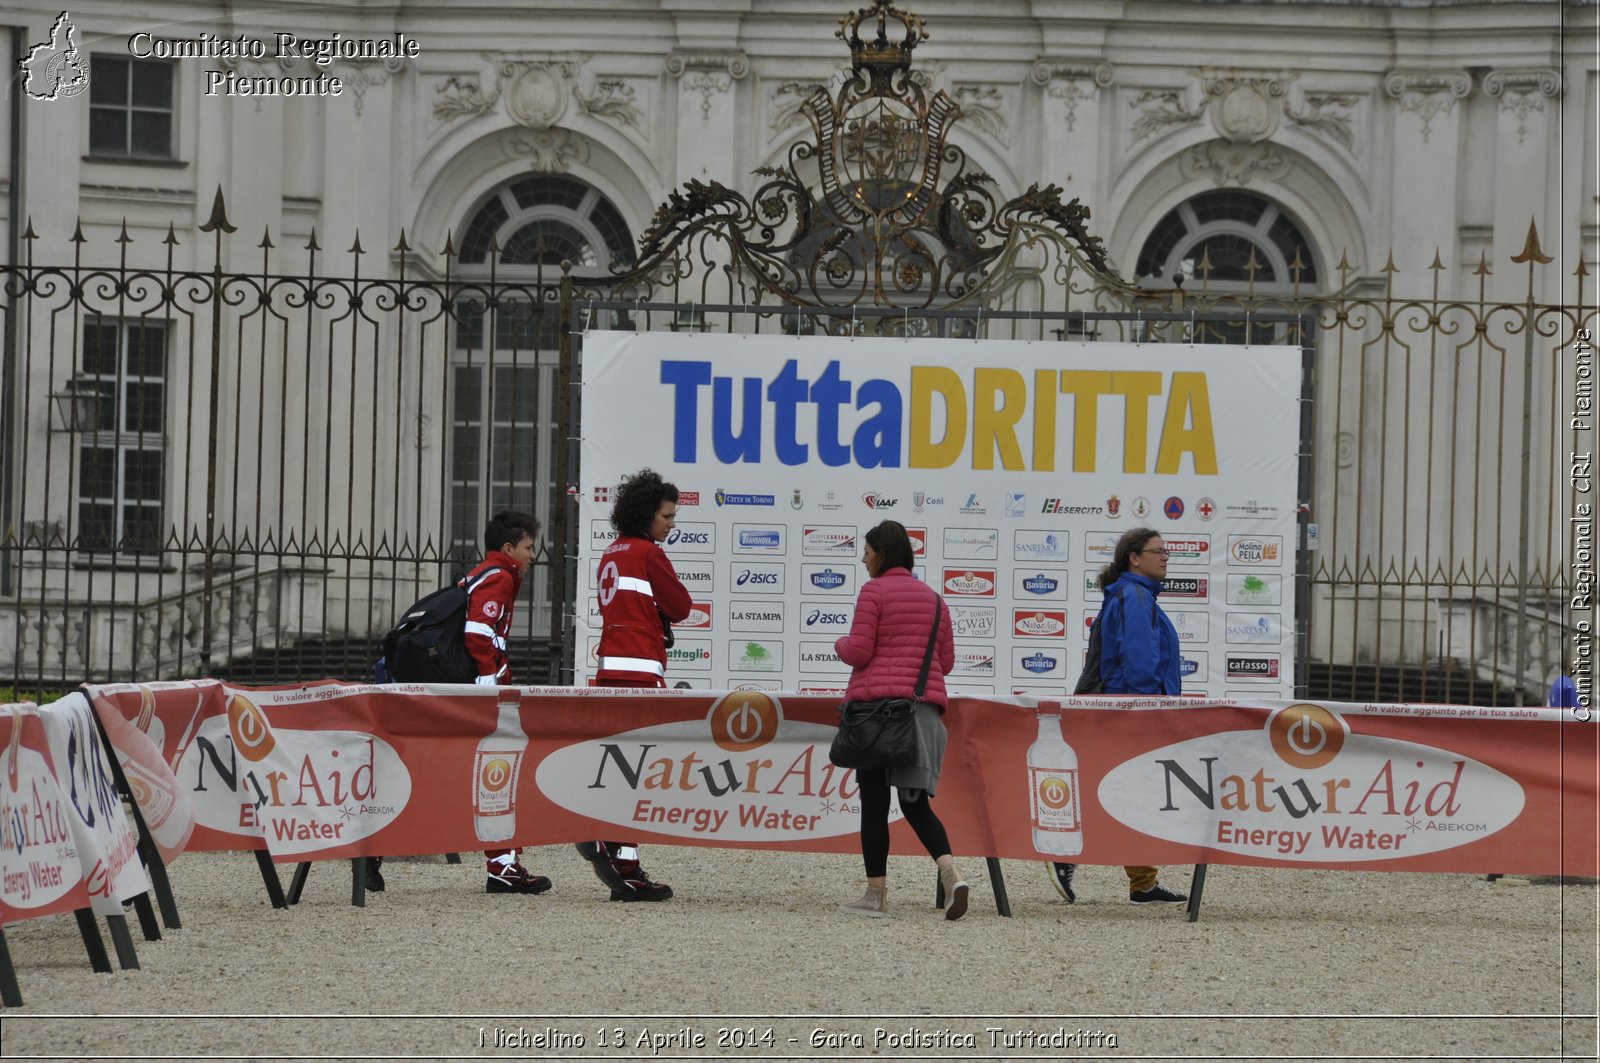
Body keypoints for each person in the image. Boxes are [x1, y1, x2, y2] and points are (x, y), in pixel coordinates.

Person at [367, 510, 551, 895]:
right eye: (529, 546)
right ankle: (503, 867)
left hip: (451, 687)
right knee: (496, 774)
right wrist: (491, 687)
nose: (534, 554)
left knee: (427, 771)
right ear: (508, 548)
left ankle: (372, 851)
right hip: (477, 693)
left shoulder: (480, 574)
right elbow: (480, 634)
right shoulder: (500, 577)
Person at [833, 519, 969, 920]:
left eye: (867, 551)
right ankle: (951, 873)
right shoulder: (935, 599)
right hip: (920, 715)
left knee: (873, 805)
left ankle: (876, 896)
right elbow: (946, 662)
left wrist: (839, 642)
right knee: (915, 804)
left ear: (882, 554)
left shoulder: (873, 591)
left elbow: (858, 651)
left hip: (876, 716)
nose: (863, 559)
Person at [1052, 526, 1188, 907]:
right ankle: (1062, 854)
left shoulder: (1133, 594)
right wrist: (1149, 711)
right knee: (1123, 791)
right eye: (1158, 551)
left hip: (1123, 709)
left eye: (1167, 551)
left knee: (1133, 795)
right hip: (1130, 713)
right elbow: (1139, 660)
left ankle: (1143, 882)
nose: (1165, 557)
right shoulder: (1134, 595)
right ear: (1134, 557)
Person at [577, 469, 691, 901]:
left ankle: (607, 840)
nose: (672, 523)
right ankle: (624, 862)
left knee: (618, 767)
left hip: (610, 668)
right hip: (641, 668)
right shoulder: (648, 552)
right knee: (636, 771)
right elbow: (680, 607)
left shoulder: (614, 550)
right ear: (647, 515)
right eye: (667, 515)